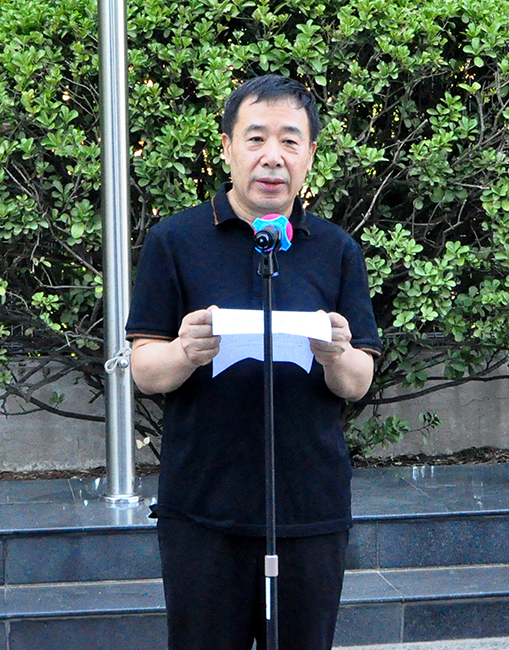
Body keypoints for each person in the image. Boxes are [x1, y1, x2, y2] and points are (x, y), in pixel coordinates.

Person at [125, 74, 380, 650]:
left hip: (308, 505)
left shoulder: (335, 249)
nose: (272, 157)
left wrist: (336, 356)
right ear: (227, 148)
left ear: (310, 155)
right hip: (204, 508)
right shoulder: (175, 240)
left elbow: (358, 380)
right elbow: (145, 369)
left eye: (290, 141)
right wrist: (184, 352)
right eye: (256, 138)